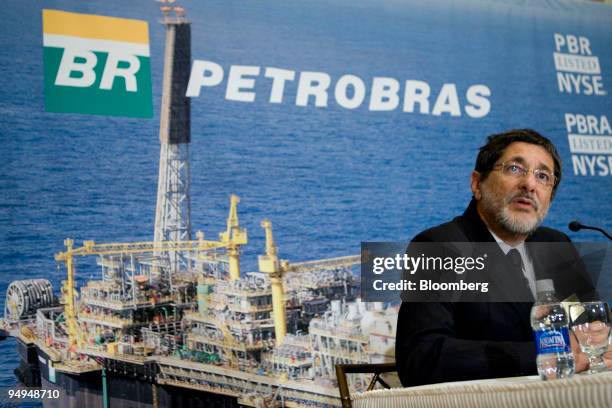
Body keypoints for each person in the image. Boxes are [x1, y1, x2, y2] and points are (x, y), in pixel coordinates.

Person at [395, 129, 598, 387]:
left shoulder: (556, 246)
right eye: (515, 169)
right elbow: (422, 358)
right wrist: (541, 354)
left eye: (543, 176)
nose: (529, 184)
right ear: (477, 184)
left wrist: (598, 339)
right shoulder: (440, 247)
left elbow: (588, 325)